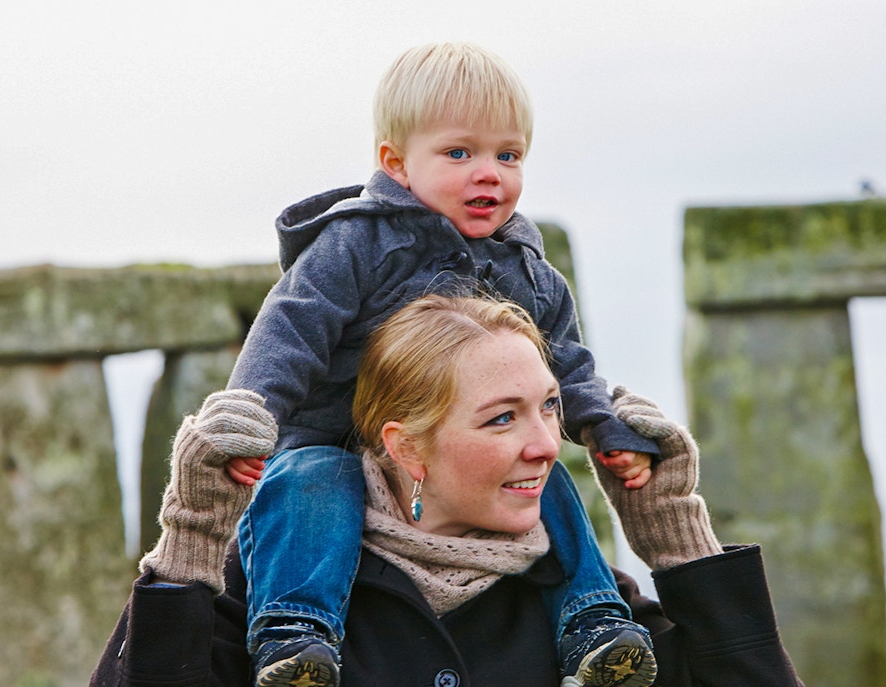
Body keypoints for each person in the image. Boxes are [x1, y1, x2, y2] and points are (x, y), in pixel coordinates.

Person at [210, 43, 661, 686]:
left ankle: (595, 622)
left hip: (444, 451)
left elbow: (569, 362)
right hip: (330, 436)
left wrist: (602, 429)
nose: (490, 174)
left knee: (551, 480)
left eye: (508, 155)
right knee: (309, 483)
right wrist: (248, 417)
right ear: (395, 163)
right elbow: (291, 329)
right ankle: (296, 636)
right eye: (460, 153)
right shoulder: (357, 242)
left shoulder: (529, 272)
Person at [92, 294, 804, 686]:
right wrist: (189, 550)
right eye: (503, 417)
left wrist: (679, 541)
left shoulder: (586, 605)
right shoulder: (275, 596)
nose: (547, 444)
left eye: (550, 406)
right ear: (405, 446)